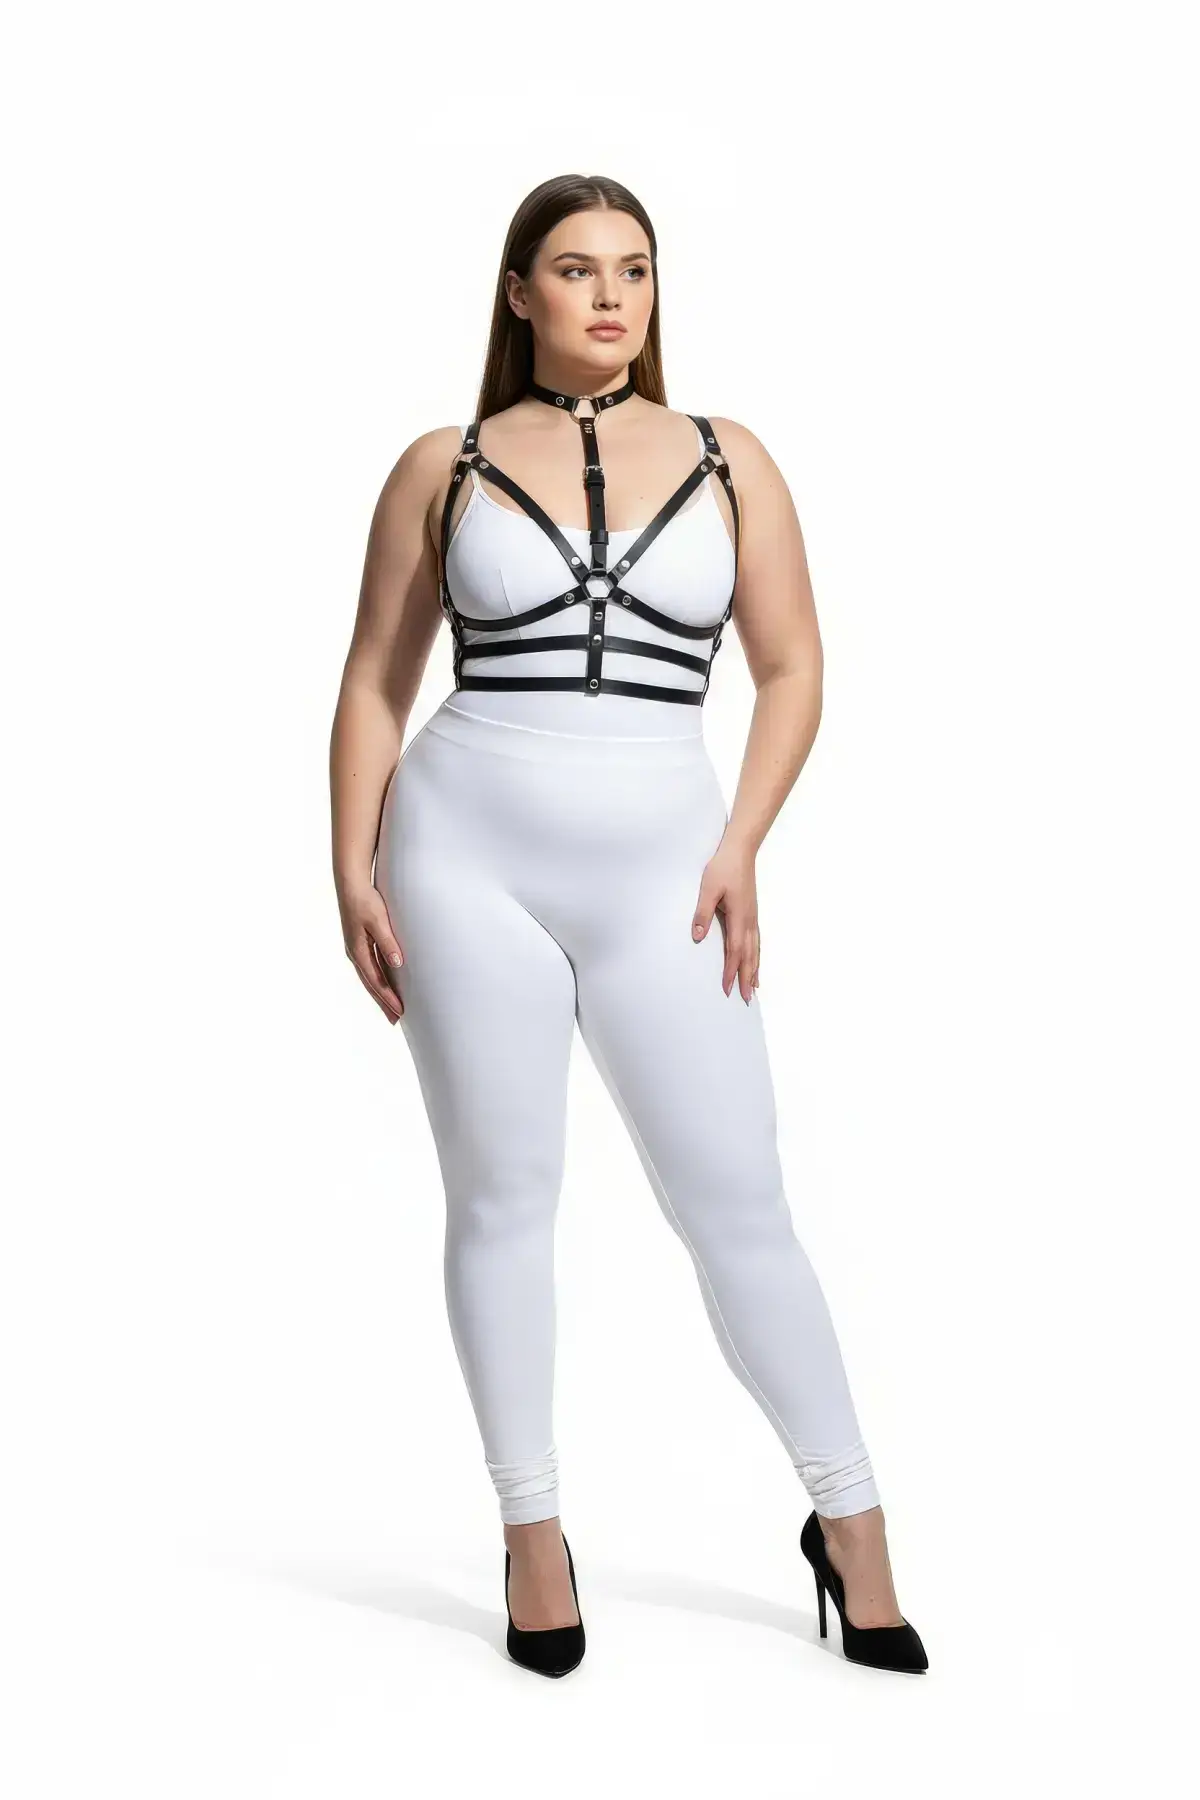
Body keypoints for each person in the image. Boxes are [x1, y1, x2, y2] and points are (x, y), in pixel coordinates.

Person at [329, 173, 927, 1677]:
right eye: (577, 268)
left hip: (671, 864)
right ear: (518, 292)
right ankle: (532, 1533)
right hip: (460, 854)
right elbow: (376, 678)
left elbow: (792, 669)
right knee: (501, 1197)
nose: (611, 295)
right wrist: (351, 865)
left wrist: (742, 844)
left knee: (739, 1204)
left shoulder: (730, 456)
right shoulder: (443, 463)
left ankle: (852, 1522)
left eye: (636, 269)